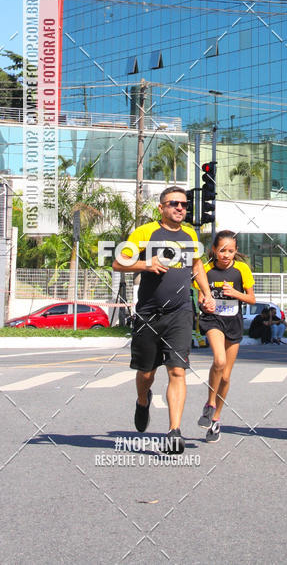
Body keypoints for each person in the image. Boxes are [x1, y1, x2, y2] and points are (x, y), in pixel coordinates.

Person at [112, 186, 215, 455]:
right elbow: (117, 263)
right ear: (161, 208)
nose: (180, 208)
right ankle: (143, 400)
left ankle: (174, 432)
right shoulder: (145, 233)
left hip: (180, 313)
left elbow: (196, 267)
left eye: (183, 204)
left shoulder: (190, 234)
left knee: (177, 371)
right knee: (146, 373)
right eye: (174, 204)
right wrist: (145, 265)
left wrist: (206, 293)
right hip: (149, 313)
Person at [195, 230, 255, 443]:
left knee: (226, 376)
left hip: (233, 321)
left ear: (235, 251)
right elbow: (201, 296)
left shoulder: (242, 270)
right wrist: (206, 302)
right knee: (218, 360)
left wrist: (235, 293)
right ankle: (210, 403)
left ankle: (216, 418)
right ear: (214, 250)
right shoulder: (206, 269)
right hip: (213, 320)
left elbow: (251, 299)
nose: (226, 255)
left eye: (230, 251)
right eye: (222, 250)